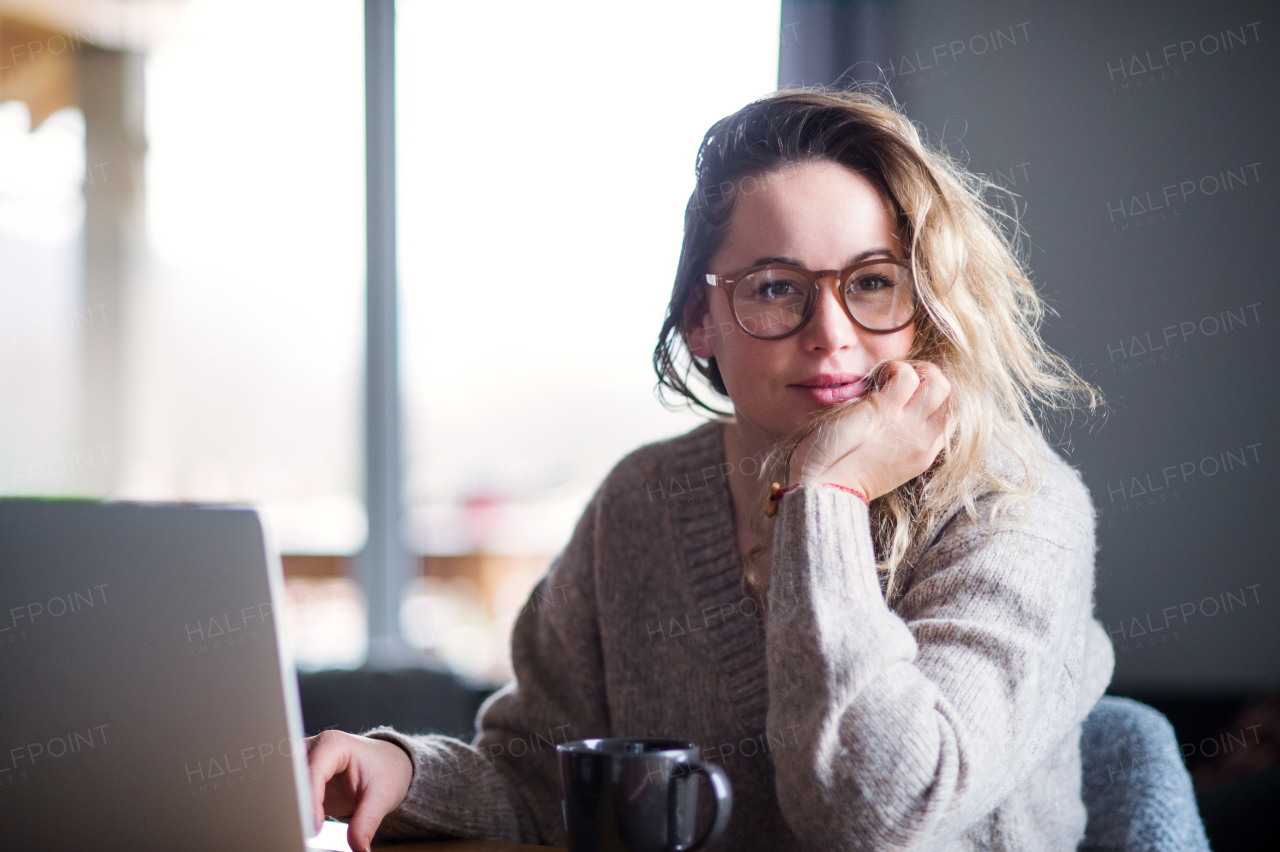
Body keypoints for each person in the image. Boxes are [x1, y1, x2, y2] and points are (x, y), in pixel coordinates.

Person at [305, 89, 1115, 852]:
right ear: (701, 319)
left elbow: (871, 813)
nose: (831, 332)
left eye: (873, 282)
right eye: (773, 288)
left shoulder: (1014, 509)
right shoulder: (642, 502)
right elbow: (546, 783)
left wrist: (824, 496)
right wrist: (403, 774)